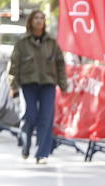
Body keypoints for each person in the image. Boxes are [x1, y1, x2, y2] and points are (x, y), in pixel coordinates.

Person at [8, 10, 68, 164]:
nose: (39, 21)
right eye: (36, 18)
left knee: (46, 118)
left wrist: (63, 84)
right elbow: (14, 65)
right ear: (30, 21)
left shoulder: (51, 42)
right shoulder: (22, 42)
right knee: (30, 115)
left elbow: (60, 63)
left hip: (48, 83)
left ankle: (42, 153)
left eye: (41, 18)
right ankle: (25, 144)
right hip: (29, 83)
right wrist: (13, 85)